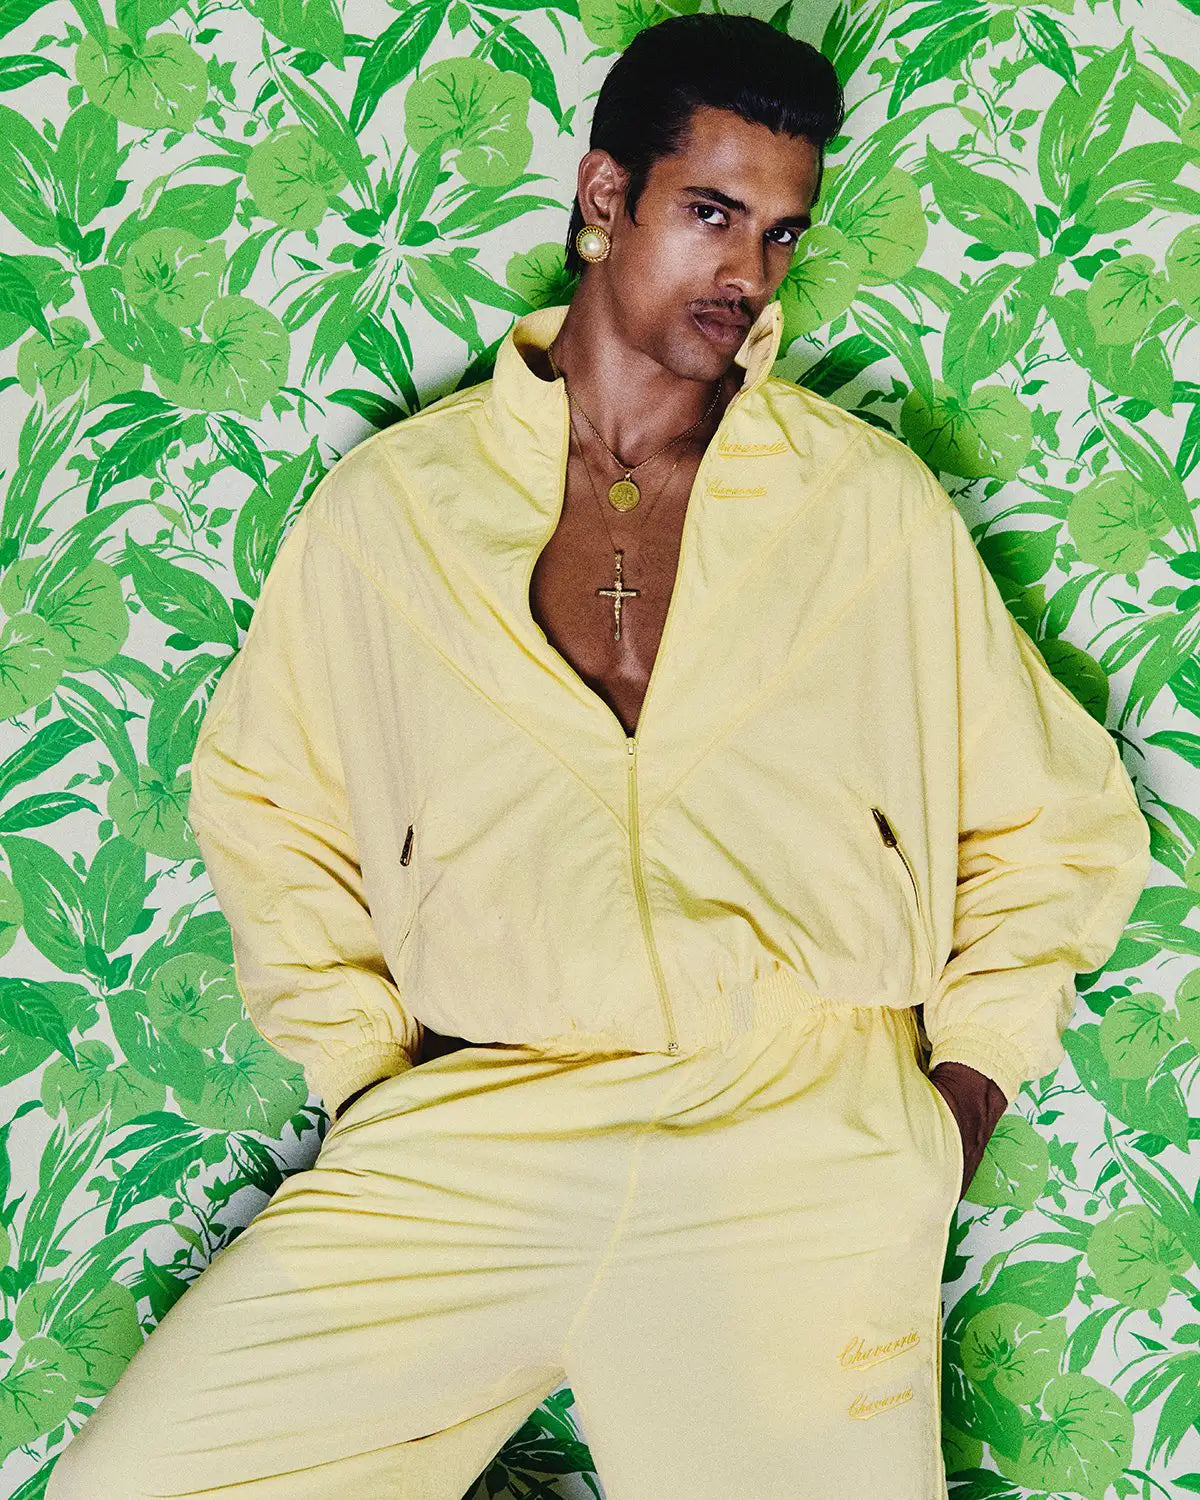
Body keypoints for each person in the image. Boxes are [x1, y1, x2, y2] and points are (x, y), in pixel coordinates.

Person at [45, 13, 1151, 1500]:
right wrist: (367, 1076)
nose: (750, 271)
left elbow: (1055, 819)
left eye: (781, 231)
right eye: (712, 213)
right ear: (604, 195)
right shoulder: (396, 508)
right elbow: (270, 806)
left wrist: (951, 1107)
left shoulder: (862, 504)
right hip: (482, 1114)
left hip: (791, 1133)